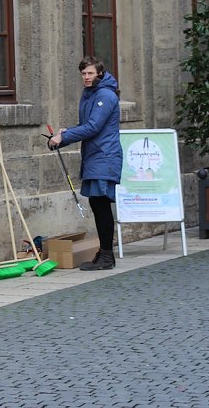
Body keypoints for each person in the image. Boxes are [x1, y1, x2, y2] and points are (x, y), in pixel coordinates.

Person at [48, 56, 122, 270]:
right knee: (97, 204)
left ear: (99, 73)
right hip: (94, 155)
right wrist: (65, 133)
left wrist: (65, 137)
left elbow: (93, 127)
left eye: (90, 73)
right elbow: (85, 125)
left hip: (104, 155)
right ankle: (105, 253)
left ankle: (107, 256)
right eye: (83, 73)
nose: (86, 77)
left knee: (101, 204)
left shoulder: (105, 95)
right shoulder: (90, 94)